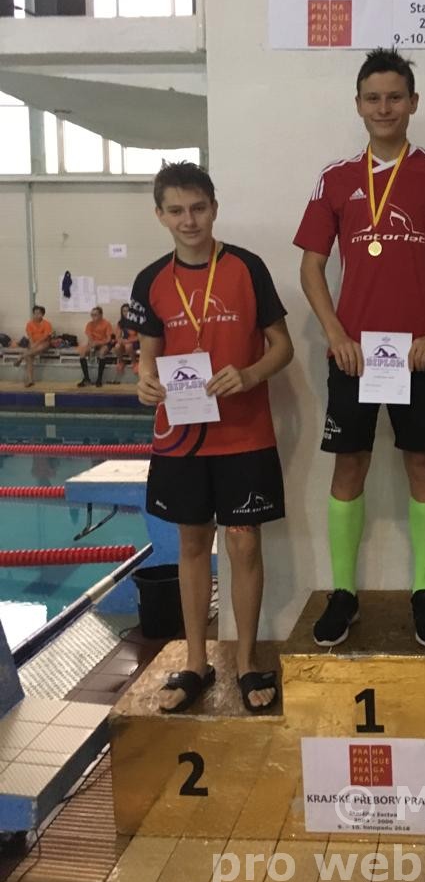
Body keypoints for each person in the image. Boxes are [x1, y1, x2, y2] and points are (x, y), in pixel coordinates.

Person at [294, 47, 425, 649]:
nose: (384, 107)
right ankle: (343, 593)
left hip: (419, 354)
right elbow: (311, 266)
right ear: (358, 105)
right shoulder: (335, 178)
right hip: (353, 356)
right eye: (373, 98)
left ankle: (423, 592)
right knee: (349, 465)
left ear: (413, 103)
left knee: (422, 465)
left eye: (395, 97)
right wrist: (335, 334)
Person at [129, 161, 293, 712]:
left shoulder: (247, 267)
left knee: (244, 543)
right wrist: (144, 382)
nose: (189, 220)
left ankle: (246, 661)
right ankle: (197, 662)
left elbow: (283, 346)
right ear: (160, 215)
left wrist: (249, 374)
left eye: (198, 208)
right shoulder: (151, 280)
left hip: (244, 434)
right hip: (182, 439)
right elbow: (147, 358)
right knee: (193, 543)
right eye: (176, 210)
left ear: (214, 208)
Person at [14, 305, 52, 387]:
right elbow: (30, 336)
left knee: (40, 346)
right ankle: (30, 380)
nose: (36, 315)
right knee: (29, 357)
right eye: (35, 313)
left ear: (43, 314)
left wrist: (36, 344)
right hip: (33, 344)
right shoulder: (29, 324)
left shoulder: (47, 324)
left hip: (44, 343)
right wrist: (32, 344)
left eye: (38, 313)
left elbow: (45, 337)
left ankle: (21, 357)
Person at [77, 306, 114, 387]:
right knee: (82, 352)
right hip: (94, 344)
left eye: (95, 315)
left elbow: (108, 339)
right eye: (92, 315)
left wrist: (97, 343)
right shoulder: (89, 324)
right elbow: (90, 338)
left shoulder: (107, 324)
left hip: (104, 343)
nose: (93, 317)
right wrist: (92, 346)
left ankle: (99, 379)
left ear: (101, 315)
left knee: (102, 353)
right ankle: (86, 378)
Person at [113, 303, 139, 378]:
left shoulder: (137, 322)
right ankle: (121, 362)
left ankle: (134, 363)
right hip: (126, 341)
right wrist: (120, 340)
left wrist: (128, 341)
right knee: (117, 346)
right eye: (124, 311)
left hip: (135, 342)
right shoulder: (120, 323)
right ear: (122, 312)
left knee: (128, 346)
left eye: (128, 311)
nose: (126, 313)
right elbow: (118, 337)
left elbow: (139, 337)